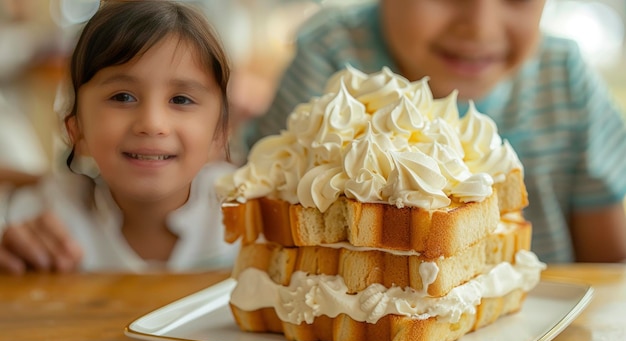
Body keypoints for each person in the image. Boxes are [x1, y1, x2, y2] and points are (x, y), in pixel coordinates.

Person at [242, 0, 626, 263]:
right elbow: (272, 230)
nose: (479, 27)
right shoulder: (328, 57)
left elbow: (608, 269)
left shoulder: (564, 77)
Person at [0, 1, 238, 274]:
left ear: (220, 132)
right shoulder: (49, 214)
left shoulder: (252, 213)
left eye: (181, 99)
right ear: (76, 130)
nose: (152, 124)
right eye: (122, 97)